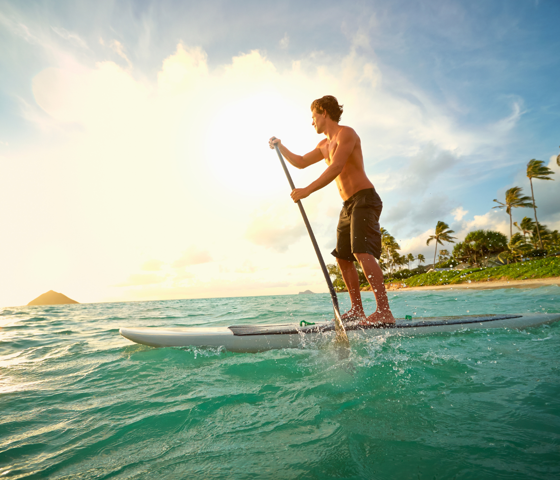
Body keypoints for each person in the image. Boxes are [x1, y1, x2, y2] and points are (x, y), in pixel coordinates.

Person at [269, 95, 395, 325]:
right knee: (343, 259)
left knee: (361, 253)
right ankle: (357, 310)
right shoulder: (323, 145)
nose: (312, 122)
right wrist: (281, 146)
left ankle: (384, 311)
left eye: (313, 116)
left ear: (324, 112)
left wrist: (306, 190)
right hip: (348, 205)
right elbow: (300, 161)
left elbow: (337, 166)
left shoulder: (346, 133)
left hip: (365, 199)